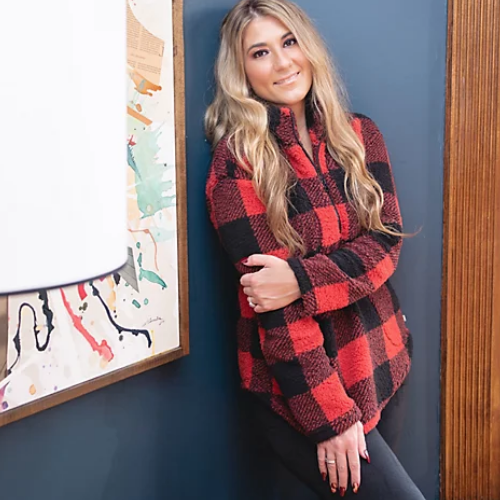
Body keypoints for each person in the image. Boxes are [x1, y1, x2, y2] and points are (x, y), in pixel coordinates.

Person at [205, 1, 425, 498]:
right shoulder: (237, 164)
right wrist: (331, 418)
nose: (283, 62)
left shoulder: (360, 134)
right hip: (303, 392)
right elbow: (275, 311)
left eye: (289, 42)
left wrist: (300, 279)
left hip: (382, 360)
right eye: (260, 52)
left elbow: (386, 245)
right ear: (241, 71)